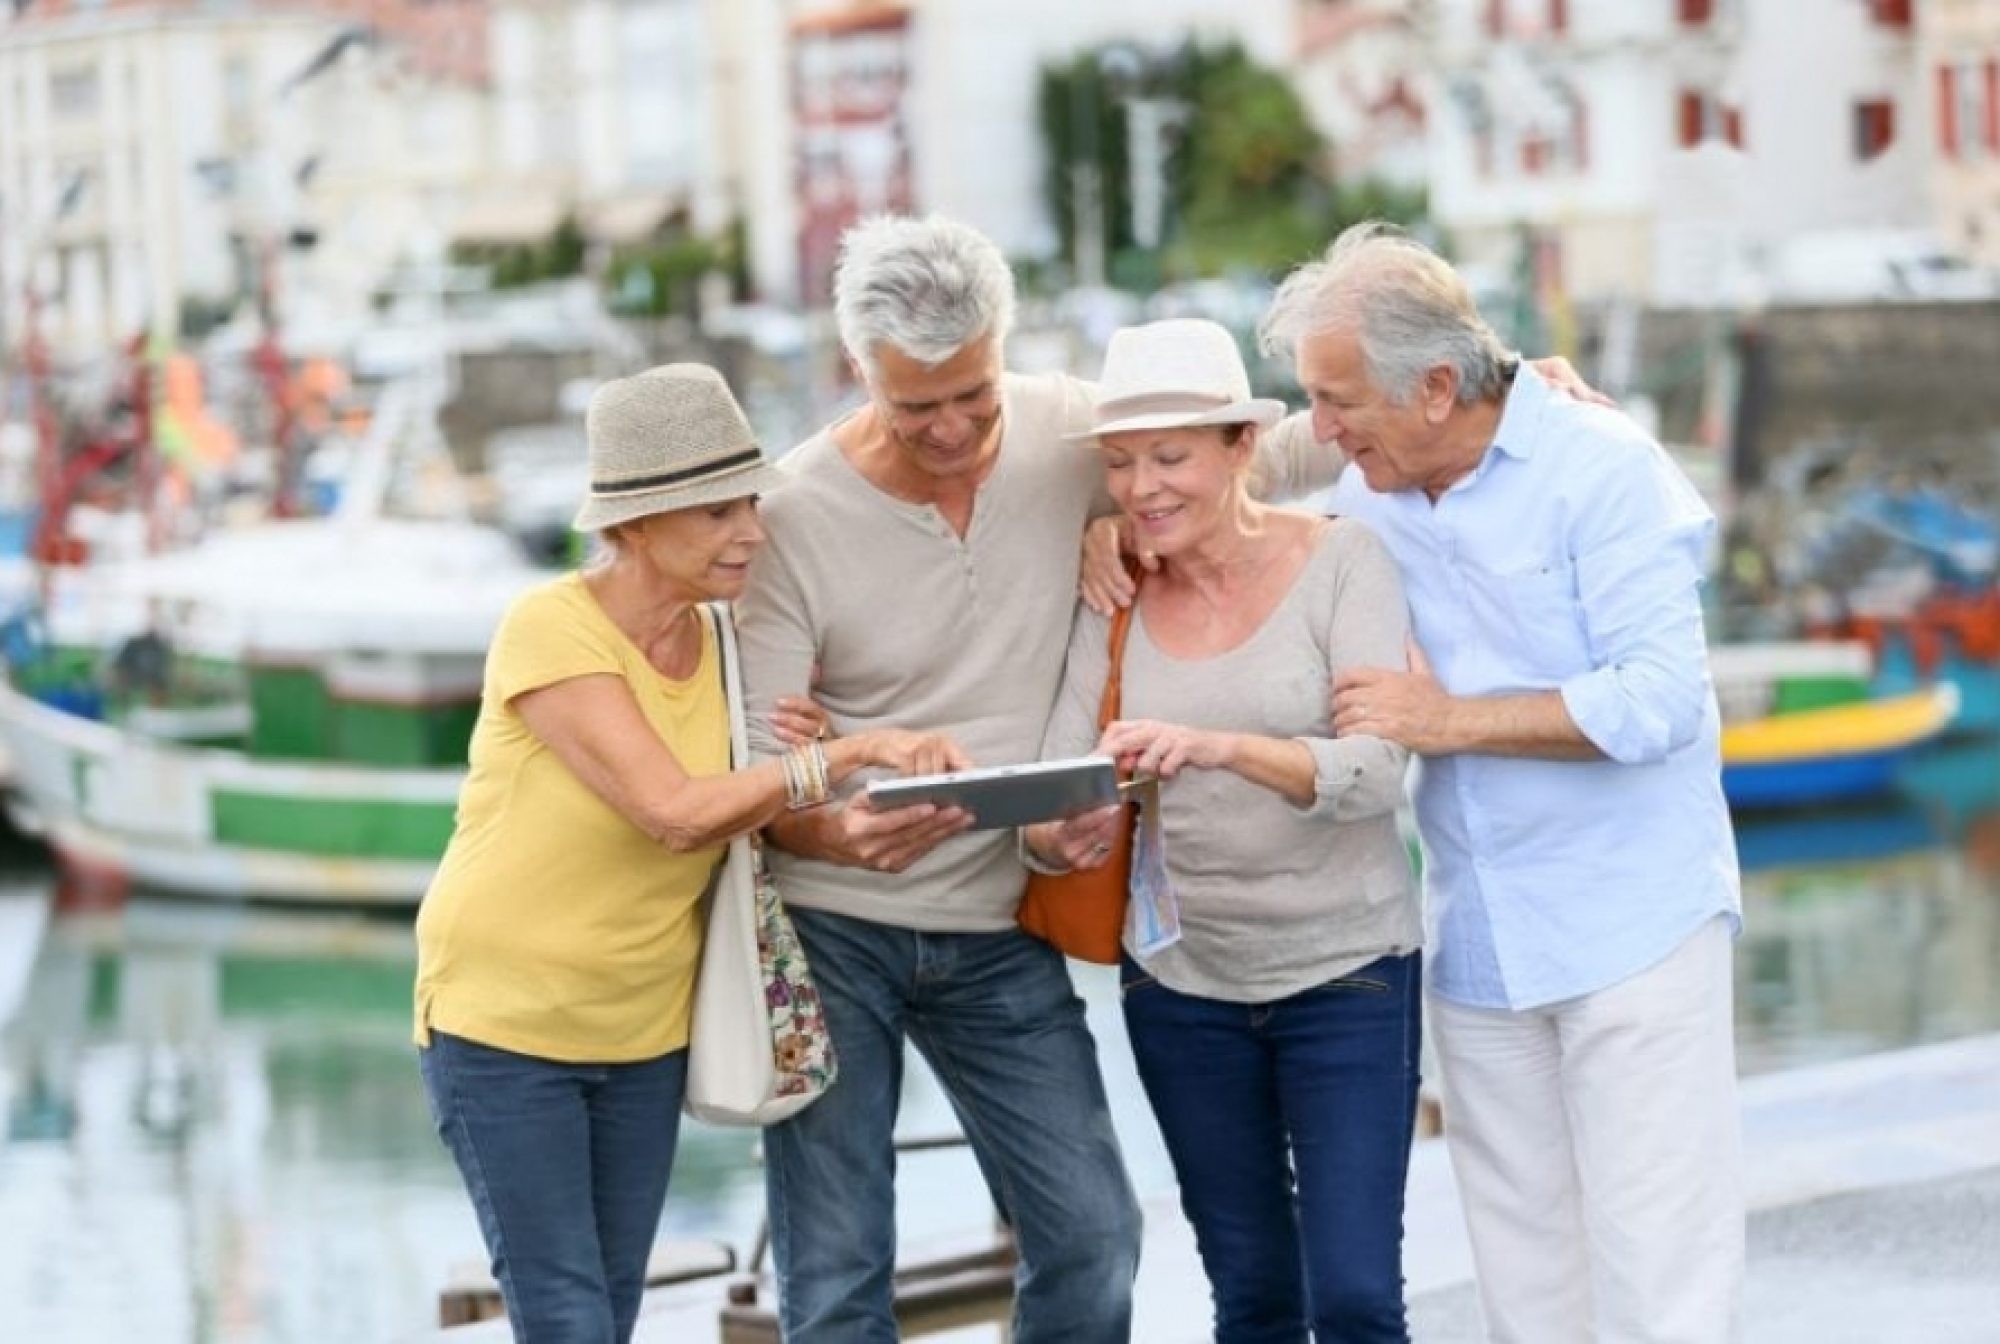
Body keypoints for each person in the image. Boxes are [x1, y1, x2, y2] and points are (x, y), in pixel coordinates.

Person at [1264, 223, 1745, 1344]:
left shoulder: (1600, 465)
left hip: (1637, 923)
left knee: (1660, 1269)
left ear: (1435, 387)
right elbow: (1213, 470)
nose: (1322, 430)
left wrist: (1441, 722)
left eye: (1338, 402)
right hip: (1477, 933)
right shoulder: (1369, 482)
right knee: (1522, 1280)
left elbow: (1655, 701)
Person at [411, 363, 961, 1344]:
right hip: (504, 1028)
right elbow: (670, 812)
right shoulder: (550, 628)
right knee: (569, 1320)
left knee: (606, 1314)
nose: (748, 530)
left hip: (643, 1033)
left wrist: (804, 751)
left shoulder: (725, 640)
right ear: (630, 526)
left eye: (747, 503)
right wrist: (841, 755)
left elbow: (747, 802)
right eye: (713, 512)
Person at [1027, 318, 1424, 1343]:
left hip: (1348, 975)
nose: (1141, 487)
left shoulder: (1345, 561)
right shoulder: (1110, 595)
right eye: (1119, 464)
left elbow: (1377, 771)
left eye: (1169, 457)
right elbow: (1069, 772)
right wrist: (1048, 838)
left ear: (1241, 448)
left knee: (1353, 1300)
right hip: (1182, 988)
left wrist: (1217, 747)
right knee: (1250, 1299)